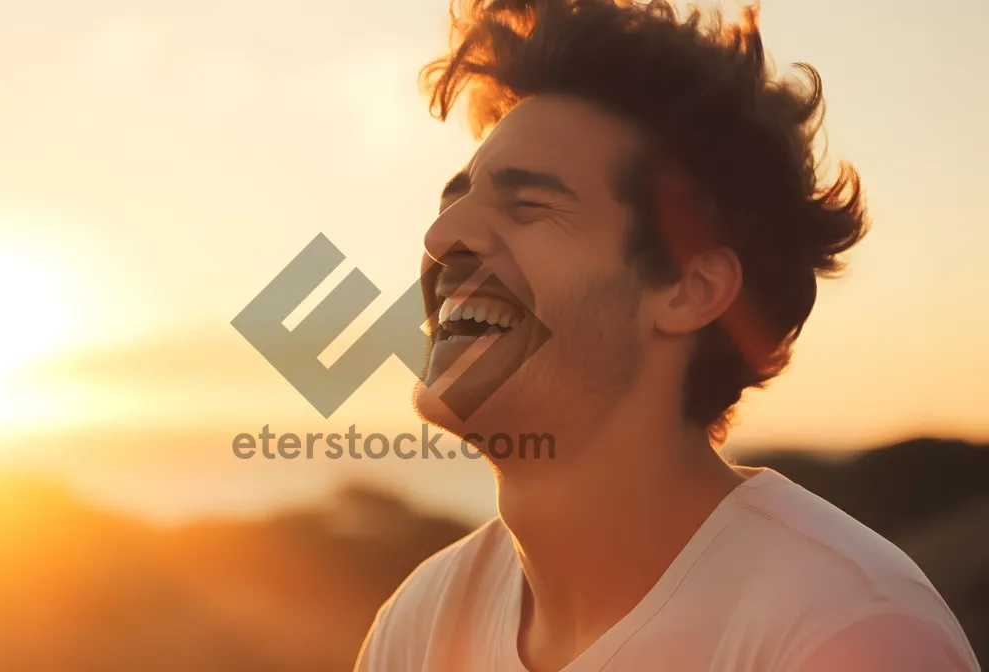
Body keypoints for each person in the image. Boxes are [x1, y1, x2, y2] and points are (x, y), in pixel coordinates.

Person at [354, 1, 980, 670]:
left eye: (528, 205)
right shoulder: (419, 626)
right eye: (454, 202)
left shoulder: (844, 633)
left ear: (690, 289)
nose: (440, 238)